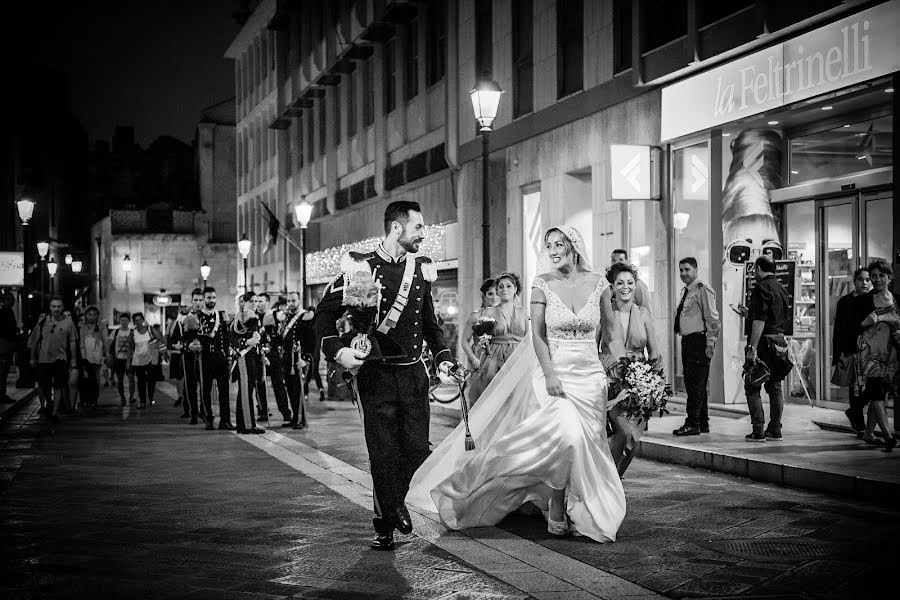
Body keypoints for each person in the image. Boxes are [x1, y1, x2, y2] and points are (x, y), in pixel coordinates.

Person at [409, 225, 625, 543]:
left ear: (574, 245)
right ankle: (551, 502)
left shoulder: (599, 284)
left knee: (587, 444)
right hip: (554, 373)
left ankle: (576, 504)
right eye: (548, 245)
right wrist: (550, 373)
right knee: (566, 436)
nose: (552, 250)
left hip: (591, 380)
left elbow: (612, 331)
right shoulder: (542, 285)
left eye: (559, 244)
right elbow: (536, 334)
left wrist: (621, 367)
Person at [316, 200, 453, 551]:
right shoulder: (359, 266)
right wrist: (340, 351)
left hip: (413, 375)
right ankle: (385, 523)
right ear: (397, 227)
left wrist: (443, 358)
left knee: (417, 450)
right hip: (375, 375)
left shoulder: (420, 269)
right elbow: (322, 317)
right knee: (382, 453)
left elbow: (430, 324)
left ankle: (394, 502)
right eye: (418, 227)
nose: (423, 234)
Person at [602, 263, 661, 475]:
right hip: (612, 381)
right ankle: (608, 479)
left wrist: (655, 385)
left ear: (636, 286)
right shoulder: (605, 313)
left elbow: (654, 352)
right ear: (612, 287)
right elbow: (593, 348)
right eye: (620, 283)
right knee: (623, 433)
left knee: (633, 441)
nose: (625, 287)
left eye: (630, 282)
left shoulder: (644, 314)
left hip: (640, 383)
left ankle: (615, 478)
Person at [744, 255, 791, 442]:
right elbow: (774, 316)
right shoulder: (781, 288)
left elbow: (760, 320)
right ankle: (775, 429)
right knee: (775, 386)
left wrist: (752, 348)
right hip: (779, 342)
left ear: (758, 268)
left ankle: (758, 431)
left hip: (764, 343)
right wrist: (748, 314)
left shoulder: (761, 288)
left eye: (754, 270)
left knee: (752, 386)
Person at [854, 260, 899, 452]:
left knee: (881, 393)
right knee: (878, 392)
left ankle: (868, 432)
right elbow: (850, 328)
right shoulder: (863, 301)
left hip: (892, 355)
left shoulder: (898, 300)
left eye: (881, 275)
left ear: (889, 277)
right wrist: (864, 323)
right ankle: (888, 436)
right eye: (874, 276)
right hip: (870, 356)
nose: (877, 279)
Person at [672, 257, 720, 436]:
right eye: (681, 270)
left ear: (696, 269)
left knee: (695, 385)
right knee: (695, 384)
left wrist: (710, 343)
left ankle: (692, 423)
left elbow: (712, 319)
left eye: (687, 270)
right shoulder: (687, 291)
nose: (683, 273)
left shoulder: (702, 289)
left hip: (699, 342)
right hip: (688, 342)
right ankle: (702, 422)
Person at [466, 273, 528, 406]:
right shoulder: (487, 313)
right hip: (494, 360)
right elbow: (475, 338)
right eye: (501, 287)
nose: (504, 289)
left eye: (508, 286)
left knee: (516, 399)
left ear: (515, 289)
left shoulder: (523, 312)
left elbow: (527, 340)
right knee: (492, 398)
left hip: (516, 358)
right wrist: (477, 355)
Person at [189, 287, 234, 431]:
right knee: (205, 390)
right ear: (204, 299)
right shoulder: (196, 317)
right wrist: (191, 344)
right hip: (206, 358)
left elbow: (226, 338)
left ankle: (225, 421)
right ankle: (208, 419)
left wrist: (228, 355)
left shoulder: (221, 316)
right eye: (208, 298)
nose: (211, 300)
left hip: (221, 358)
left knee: (224, 391)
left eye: (214, 297)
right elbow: (189, 338)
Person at [833, 268, 871, 434]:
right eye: (861, 279)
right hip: (850, 349)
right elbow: (839, 329)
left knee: (873, 387)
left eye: (867, 279)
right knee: (853, 386)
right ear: (854, 281)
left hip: (870, 351)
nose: (864, 283)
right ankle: (860, 425)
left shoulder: (873, 300)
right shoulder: (844, 302)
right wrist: (838, 353)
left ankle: (855, 413)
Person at [28, 297, 77, 421]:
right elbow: (35, 341)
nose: (56, 309)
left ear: (63, 308)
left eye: (59, 306)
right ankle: (49, 402)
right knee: (43, 384)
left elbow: (72, 341)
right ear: (50, 307)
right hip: (43, 358)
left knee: (59, 386)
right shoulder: (43, 320)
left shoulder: (68, 322)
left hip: (60, 358)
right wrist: (32, 357)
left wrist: (73, 359)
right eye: (53, 306)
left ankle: (55, 412)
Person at [230, 293, 264, 434]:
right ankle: (246, 425)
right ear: (244, 302)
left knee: (249, 390)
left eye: (256, 301)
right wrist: (245, 342)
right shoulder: (243, 317)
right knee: (245, 391)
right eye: (251, 301)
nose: (254, 304)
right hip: (243, 357)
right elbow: (232, 338)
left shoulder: (252, 316)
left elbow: (255, 339)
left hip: (252, 357)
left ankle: (246, 424)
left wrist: (261, 353)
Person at [278, 292, 308, 429]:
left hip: (298, 359)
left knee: (298, 390)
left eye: (293, 300)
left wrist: (306, 360)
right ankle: (295, 417)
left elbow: (310, 341)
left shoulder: (305, 317)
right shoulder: (286, 317)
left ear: (299, 301)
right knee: (290, 390)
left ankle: (300, 419)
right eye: (288, 301)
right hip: (287, 359)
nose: (290, 303)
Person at [460, 279, 499, 372]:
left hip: (499, 357)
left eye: (497, 293)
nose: (494, 297)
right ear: (484, 296)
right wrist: (474, 360)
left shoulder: (506, 316)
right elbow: (465, 341)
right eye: (490, 294)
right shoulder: (475, 316)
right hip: (479, 357)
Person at [128, 313, 165, 409]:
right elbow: (130, 348)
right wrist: (128, 361)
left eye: (140, 319)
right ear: (134, 322)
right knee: (141, 381)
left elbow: (160, 339)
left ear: (143, 320)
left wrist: (156, 345)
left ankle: (151, 396)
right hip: (138, 360)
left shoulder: (150, 329)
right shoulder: (133, 333)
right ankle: (142, 401)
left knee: (151, 380)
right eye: (136, 320)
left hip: (151, 359)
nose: (138, 322)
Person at [76, 305, 108, 410]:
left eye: (94, 314)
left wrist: (107, 354)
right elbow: (80, 342)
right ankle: (84, 400)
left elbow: (106, 340)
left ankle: (94, 400)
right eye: (90, 314)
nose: (92, 316)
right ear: (85, 315)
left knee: (95, 379)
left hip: (96, 357)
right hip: (84, 356)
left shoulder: (101, 327)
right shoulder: (81, 326)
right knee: (83, 379)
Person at [168, 303, 190, 414]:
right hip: (179, 353)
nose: (184, 308)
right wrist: (174, 345)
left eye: (186, 306)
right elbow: (171, 338)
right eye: (182, 306)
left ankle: (188, 402)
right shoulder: (177, 321)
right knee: (179, 376)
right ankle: (181, 397)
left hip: (191, 353)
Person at [299, 306, 324, 402]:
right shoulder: (316, 323)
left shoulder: (305, 323)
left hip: (307, 350)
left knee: (306, 373)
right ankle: (320, 390)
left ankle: (306, 394)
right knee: (314, 371)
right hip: (315, 350)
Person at [109, 313, 135, 406]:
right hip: (118, 359)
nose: (124, 322)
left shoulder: (132, 332)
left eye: (125, 320)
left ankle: (131, 397)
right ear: (120, 321)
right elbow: (109, 342)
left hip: (130, 359)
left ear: (129, 321)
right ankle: (122, 397)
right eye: (122, 320)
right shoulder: (115, 332)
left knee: (131, 378)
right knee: (120, 379)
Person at [0, 293, 18, 403]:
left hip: (5, 346)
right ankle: (1, 394)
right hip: (5, 346)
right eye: (11, 299)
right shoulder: (6, 312)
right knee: (2, 372)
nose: (13, 302)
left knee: (3, 372)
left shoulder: (5, 311)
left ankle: (2, 394)